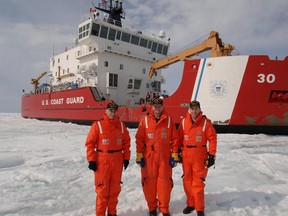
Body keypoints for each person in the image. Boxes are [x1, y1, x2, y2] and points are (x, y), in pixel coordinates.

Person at [135, 98, 180, 216]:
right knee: (149, 183)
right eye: (155, 106)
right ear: (151, 107)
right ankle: (152, 208)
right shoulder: (144, 121)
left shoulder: (169, 120)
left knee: (164, 183)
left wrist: (174, 154)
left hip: (164, 157)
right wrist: (139, 154)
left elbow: (175, 139)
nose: (157, 109)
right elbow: (139, 139)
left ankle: (164, 208)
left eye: (159, 106)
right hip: (148, 157)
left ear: (162, 107)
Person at [85, 102, 131, 216]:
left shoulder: (121, 125)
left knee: (114, 189)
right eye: (110, 110)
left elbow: (126, 144)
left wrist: (126, 158)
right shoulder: (98, 125)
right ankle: (100, 214)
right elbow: (90, 144)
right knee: (102, 190)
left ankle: (112, 213)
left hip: (117, 160)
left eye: (115, 111)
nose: (112, 113)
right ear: (106, 111)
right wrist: (92, 160)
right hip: (102, 161)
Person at [178, 100, 217, 216]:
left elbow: (213, 139)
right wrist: (177, 152)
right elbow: (178, 138)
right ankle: (191, 204)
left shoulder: (206, 123)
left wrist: (212, 155)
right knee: (187, 181)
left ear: (199, 109)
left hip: (200, 156)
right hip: (186, 156)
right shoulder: (184, 122)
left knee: (198, 183)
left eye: (196, 108)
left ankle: (199, 208)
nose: (194, 111)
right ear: (189, 110)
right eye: (192, 108)